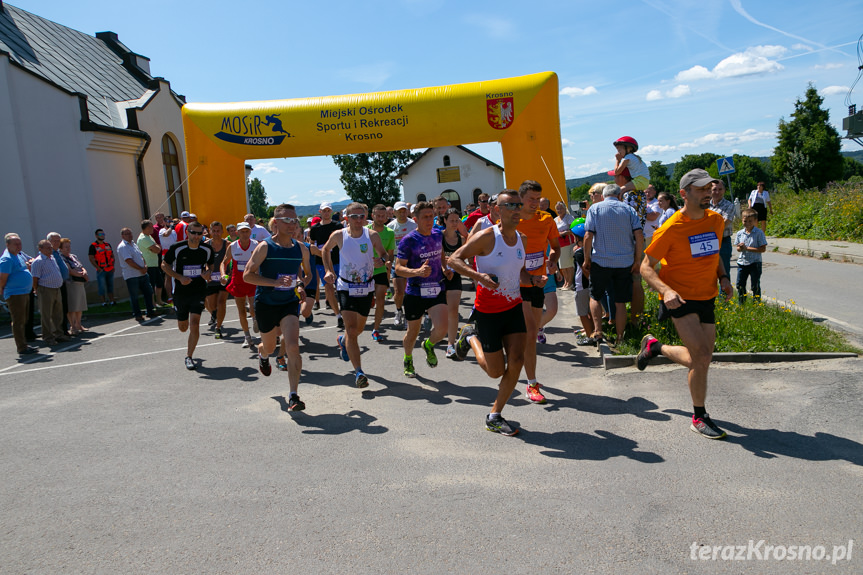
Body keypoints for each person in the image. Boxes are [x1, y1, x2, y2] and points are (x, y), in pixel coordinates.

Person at [638, 168, 734, 440]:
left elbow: (714, 253)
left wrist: (724, 277)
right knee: (701, 356)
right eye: (701, 189)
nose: (707, 193)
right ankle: (699, 416)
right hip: (678, 297)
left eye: (709, 188)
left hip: (707, 295)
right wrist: (666, 291)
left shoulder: (715, 220)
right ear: (684, 193)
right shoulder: (670, 228)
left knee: (702, 358)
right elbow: (645, 267)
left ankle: (655, 347)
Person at [448, 189, 530, 436]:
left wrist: (535, 280)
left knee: (517, 361)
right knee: (495, 371)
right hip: (488, 312)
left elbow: (520, 272)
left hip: (513, 306)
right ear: (497, 210)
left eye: (519, 204)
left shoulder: (522, 239)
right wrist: (478, 276)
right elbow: (453, 259)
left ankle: (494, 415)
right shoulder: (486, 237)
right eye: (510, 205)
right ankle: (470, 337)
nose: (517, 209)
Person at [243, 204, 311, 411]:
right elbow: (248, 275)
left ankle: (293, 396)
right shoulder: (265, 247)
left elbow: (306, 275)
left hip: (289, 302)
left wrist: (300, 285)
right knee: (270, 347)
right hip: (266, 303)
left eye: (294, 221)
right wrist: (274, 283)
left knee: (292, 346)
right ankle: (263, 356)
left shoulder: (301, 248)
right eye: (287, 221)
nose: (292, 225)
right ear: (276, 223)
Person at [323, 202, 386, 388]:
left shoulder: (372, 235)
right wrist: (328, 270)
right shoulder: (339, 235)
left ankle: (342, 341)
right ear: (346, 218)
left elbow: (384, 254)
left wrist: (381, 260)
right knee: (351, 330)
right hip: (346, 287)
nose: (359, 220)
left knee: (357, 331)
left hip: (366, 288)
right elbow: (325, 250)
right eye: (355, 216)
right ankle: (359, 372)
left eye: (362, 216)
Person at [516, 180, 561, 404]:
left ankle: (530, 381)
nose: (535, 203)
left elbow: (555, 246)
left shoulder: (546, 219)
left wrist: (552, 261)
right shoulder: (512, 220)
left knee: (530, 335)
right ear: (521, 198)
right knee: (529, 332)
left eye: (538, 199)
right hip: (515, 284)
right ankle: (530, 381)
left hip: (538, 283)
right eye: (531, 199)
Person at [395, 201, 451, 378]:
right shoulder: (408, 241)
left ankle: (428, 344)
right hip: (415, 292)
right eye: (425, 217)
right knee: (412, 332)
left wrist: (444, 267)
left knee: (442, 329)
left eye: (431, 216)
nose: (429, 220)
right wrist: (417, 272)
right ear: (415, 219)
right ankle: (408, 358)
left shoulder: (437, 234)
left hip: (436, 288)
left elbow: (440, 252)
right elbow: (398, 268)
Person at [582, 183, 643, 343]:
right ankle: (620, 337)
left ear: (603, 196)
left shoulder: (594, 209)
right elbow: (639, 235)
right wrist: (637, 260)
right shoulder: (628, 209)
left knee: (595, 296)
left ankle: (598, 332)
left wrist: (587, 259)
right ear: (619, 196)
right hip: (624, 261)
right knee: (620, 302)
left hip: (601, 261)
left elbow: (588, 235)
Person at [162, 221, 214, 370]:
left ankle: (189, 356)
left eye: (200, 233)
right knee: (183, 327)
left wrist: (208, 273)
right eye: (193, 233)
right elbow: (164, 265)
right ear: (187, 232)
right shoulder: (177, 248)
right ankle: (183, 324)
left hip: (198, 290)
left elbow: (211, 265)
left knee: (195, 324)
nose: (197, 236)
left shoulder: (206, 249)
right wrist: (179, 277)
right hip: (181, 292)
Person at [223, 222, 259, 348]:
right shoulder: (232, 246)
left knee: (253, 307)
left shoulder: (256, 245)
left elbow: (261, 261)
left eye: (246, 231)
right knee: (241, 310)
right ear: (237, 233)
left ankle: (255, 319)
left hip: (252, 279)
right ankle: (247, 337)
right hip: (237, 280)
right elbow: (224, 262)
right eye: (242, 231)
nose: (244, 234)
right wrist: (223, 275)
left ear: (250, 232)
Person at [0, 233, 37, 354]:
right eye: (15, 244)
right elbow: (2, 278)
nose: (18, 246)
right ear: (7, 245)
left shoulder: (18, 256)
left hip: (24, 292)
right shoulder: (6, 259)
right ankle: (21, 347)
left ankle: (24, 344)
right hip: (15, 294)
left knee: (23, 319)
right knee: (18, 320)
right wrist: (1, 289)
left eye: (19, 243)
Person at [308, 202, 343, 327]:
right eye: (324, 210)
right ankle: (338, 315)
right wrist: (319, 252)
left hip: (338, 261)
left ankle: (344, 311)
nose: (326, 213)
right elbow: (311, 244)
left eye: (328, 210)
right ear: (320, 212)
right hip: (322, 263)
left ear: (331, 212)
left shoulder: (338, 226)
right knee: (329, 287)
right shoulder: (315, 228)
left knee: (341, 288)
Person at [386, 201, 417, 329]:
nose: (402, 213)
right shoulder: (390, 227)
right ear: (394, 212)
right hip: (396, 262)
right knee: (399, 292)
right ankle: (399, 311)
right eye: (399, 211)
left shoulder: (414, 225)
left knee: (412, 292)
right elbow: (388, 247)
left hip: (412, 262)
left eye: (404, 210)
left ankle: (412, 315)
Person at [31, 239, 68, 345]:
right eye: (47, 248)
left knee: (58, 313)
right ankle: (48, 337)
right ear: (40, 249)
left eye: (51, 247)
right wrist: (36, 289)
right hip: (45, 289)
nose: (50, 249)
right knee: (46, 314)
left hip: (56, 288)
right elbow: (35, 278)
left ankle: (59, 334)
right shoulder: (38, 261)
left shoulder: (52, 258)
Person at [367, 204, 395, 342]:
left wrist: (385, 261)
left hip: (380, 271)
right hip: (363, 272)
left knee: (381, 300)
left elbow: (390, 255)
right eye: (378, 215)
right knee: (365, 302)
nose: (380, 218)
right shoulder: (364, 231)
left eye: (383, 216)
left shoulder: (389, 232)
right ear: (372, 216)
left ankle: (376, 329)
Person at [440, 208, 465, 359]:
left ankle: (451, 344)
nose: (455, 223)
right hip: (439, 276)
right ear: (445, 221)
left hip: (454, 276)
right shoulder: (438, 236)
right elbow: (437, 256)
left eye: (457, 220)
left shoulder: (461, 239)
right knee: (440, 311)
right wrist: (445, 267)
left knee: (453, 310)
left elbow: (462, 258)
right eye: (452, 220)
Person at [117, 227, 156, 321]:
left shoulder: (133, 244)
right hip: (132, 275)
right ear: (122, 236)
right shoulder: (123, 246)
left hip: (142, 273)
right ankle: (137, 314)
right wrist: (141, 268)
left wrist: (145, 266)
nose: (130, 235)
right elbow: (129, 261)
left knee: (149, 292)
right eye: (127, 234)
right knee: (134, 296)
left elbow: (141, 256)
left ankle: (150, 311)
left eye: (130, 233)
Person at [734, 208, 768, 304]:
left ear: (755, 221)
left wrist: (746, 248)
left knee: (755, 285)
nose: (747, 223)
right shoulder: (740, 233)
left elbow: (762, 249)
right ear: (742, 220)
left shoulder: (759, 233)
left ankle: (756, 304)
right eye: (745, 221)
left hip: (755, 263)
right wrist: (740, 248)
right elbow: (738, 248)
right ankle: (741, 304)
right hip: (742, 262)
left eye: (750, 221)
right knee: (739, 284)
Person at [570, 224, 595, 346]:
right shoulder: (591, 250)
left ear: (579, 239)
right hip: (589, 286)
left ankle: (590, 337)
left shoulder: (580, 253)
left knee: (583, 313)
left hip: (582, 286)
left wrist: (590, 281)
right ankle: (591, 331)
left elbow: (585, 270)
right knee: (590, 311)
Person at [58, 238, 88, 334]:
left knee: (80, 304)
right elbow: (70, 271)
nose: (68, 248)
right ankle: (73, 326)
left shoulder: (73, 256)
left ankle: (79, 324)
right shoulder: (61, 258)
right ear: (61, 248)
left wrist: (84, 272)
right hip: (70, 284)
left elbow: (81, 266)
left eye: (69, 246)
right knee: (72, 306)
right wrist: (81, 275)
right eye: (65, 247)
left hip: (79, 283)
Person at [710, 180, 736, 278]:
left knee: (724, 271)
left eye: (720, 189)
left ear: (724, 190)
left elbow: (724, 223)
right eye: (714, 189)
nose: (717, 192)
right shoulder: (705, 205)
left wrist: (706, 228)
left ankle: (724, 293)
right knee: (708, 271)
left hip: (723, 241)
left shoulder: (729, 205)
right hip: (707, 241)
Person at [46, 232, 70, 335]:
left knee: (64, 307)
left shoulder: (57, 252)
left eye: (58, 241)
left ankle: (64, 329)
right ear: (49, 242)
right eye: (54, 241)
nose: (57, 243)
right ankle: (60, 331)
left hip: (62, 283)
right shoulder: (49, 254)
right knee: (58, 309)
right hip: (55, 285)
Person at [137, 220, 166, 306]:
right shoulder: (143, 238)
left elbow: (157, 247)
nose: (153, 228)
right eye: (151, 226)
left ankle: (159, 301)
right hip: (149, 265)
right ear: (146, 228)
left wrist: (156, 248)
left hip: (155, 264)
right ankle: (152, 303)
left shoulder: (149, 236)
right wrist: (156, 248)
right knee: (151, 285)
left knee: (160, 283)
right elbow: (157, 249)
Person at [88, 229, 116, 306]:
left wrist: (113, 266)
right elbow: (91, 258)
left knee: (110, 286)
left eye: (103, 234)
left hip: (110, 269)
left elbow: (112, 256)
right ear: (96, 236)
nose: (102, 235)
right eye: (100, 234)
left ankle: (112, 301)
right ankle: (103, 302)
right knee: (102, 286)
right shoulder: (93, 246)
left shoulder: (107, 245)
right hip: (101, 270)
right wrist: (98, 268)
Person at [554, 201, 576, 290]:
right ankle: (566, 282)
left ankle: (570, 283)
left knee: (569, 264)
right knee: (563, 265)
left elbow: (573, 229)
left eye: (561, 208)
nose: (559, 210)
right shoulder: (555, 219)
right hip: (559, 244)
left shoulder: (569, 217)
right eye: (558, 209)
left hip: (568, 242)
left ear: (565, 208)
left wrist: (566, 232)